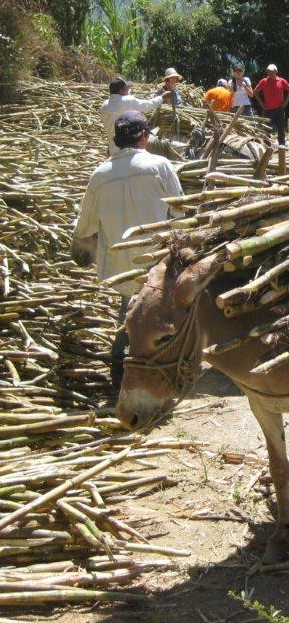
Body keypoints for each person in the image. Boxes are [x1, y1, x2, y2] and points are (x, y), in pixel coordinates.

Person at [71, 111, 184, 397]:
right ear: (145, 136)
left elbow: (84, 226)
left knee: (129, 312)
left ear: (116, 140)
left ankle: (119, 368)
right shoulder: (160, 165)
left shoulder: (99, 175)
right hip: (158, 261)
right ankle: (154, 372)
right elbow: (181, 210)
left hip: (121, 266)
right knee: (161, 315)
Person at [100, 77, 169, 156]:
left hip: (113, 148)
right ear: (121, 90)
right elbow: (147, 105)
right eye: (125, 89)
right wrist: (161, 97)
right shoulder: (127, 101)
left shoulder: (104, 106)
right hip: (128, 148)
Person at [254, 64, 289, 145]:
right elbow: (255, 91)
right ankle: (267, 146)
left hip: (279, 109)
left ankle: (282, 146)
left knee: (281, 129)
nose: (270, 73)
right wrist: (261, 103)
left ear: (276, 72)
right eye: (268, 71)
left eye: (272, 71)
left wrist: (285, 103)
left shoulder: (281, 81)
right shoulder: (264, 81)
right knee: (267, 129)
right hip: (268, 109)